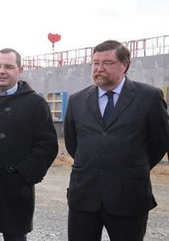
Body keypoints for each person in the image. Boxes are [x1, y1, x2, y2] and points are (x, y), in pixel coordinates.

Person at [64, 40, 169, 241]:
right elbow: (73, 143)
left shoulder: (148, 97)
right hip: (84, 194)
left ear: (125, 65)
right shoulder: (77, 100)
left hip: (128, 195)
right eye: (95, 63)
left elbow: (160, 142)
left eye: (107, 63)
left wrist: (132, 166)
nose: (99, 68)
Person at [0, 48, 58, 241]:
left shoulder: (36, 104)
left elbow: (46, 146)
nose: (2, 71)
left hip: (14, 190)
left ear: (20, 70)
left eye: (9, 66)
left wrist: (23, 176)